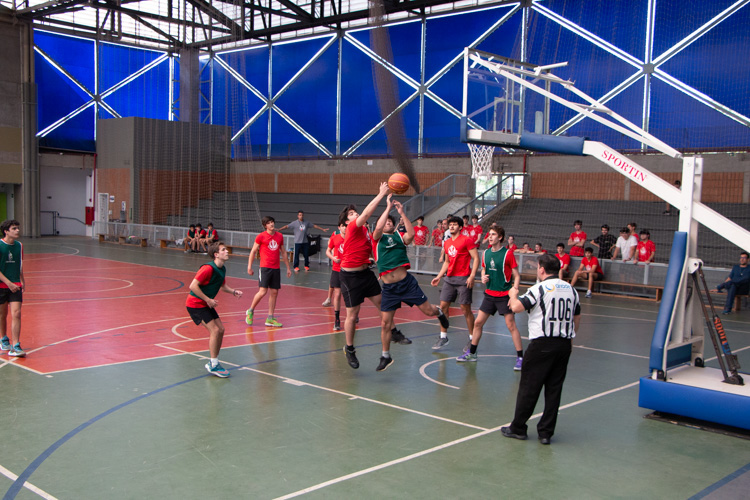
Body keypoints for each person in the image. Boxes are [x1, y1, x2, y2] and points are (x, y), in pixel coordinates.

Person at [501, 253, 580, 445]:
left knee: (529, 386)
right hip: (564, 344)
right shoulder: (571, 290)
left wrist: (512, 294)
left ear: (542, 269)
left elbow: (516, 307)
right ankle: (546, 433)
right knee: (554, 389)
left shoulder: (539, 288)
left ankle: (518, 428)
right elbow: (576, 318)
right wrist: (568, 336)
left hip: (542, 344)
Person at [372, 196, 449, 371]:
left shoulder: (399, 236)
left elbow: (412, 234)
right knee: (385, 323)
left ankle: (439, 312)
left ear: (394, 225)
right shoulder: (377, 238)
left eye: (390, 222)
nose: (388, 223)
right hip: (389, 288)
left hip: (406, 284)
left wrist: (401, 213)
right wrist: (387, 208)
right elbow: (378, 228)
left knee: (428, 311)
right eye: (385, 221)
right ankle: (385, 356)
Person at [339, 182, 391, 369]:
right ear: (347, 222)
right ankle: (349, 348)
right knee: (353, 315)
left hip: (366, 273)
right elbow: (368, 213)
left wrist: (383, 268)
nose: (356, 214)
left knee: (383, 304)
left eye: (355, 212)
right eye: (351, 214)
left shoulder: (365, 232)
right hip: (350, 277)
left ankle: (392, 331)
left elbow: (372, 252)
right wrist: (380, 194)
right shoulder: (353, 227)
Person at [457, 225, 523, 370]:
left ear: (500, 237)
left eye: (493, 234)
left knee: (511, 326)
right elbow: (484, 269)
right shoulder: (486, 253)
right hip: (489, 294)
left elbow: (517, 276)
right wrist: (483, 276)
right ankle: (472, 353)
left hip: (504, 295)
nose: (490, 237)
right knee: (478, 323)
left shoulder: (508, 254)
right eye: (489, 234)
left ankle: (520, 357)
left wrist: (515, 290)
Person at [185, 241, 243, 377]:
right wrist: (208, 299)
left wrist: (233, 291)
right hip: (195, 304)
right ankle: (214, 364)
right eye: (223, 250)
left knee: (221, 329)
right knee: (215, 330)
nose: (227, 251)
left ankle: (214, 362)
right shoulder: (207, 269)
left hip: (205, 304)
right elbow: (192, 286)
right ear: (216, 254)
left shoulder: (222, 269)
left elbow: (222, 286)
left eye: (226, 249)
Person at [430, 216, 479, 351]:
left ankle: (472, 339)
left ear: (460, 227)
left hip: (463, 279)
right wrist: (439, 276)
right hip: (449, 279)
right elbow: (447, 262)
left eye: (454, 224)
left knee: (465, 310)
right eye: (450, 224)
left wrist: (472, 276)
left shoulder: (467, 240)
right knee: (443, 307)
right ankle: (443, 337)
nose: (451, 226)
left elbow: (476, 258)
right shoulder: (447, 243)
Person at [246, 216, 292, 327]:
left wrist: (288, 267)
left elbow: (283, 252)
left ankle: (270, 318)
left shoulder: (279, 236)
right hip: (265, 267)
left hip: (276, 268)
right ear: (265, 225)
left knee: (274, 292)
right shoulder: (261, 236)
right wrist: (249, 267)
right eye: (269, 223)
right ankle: (250, 311)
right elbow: (253, 251)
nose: (272, 224)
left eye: (272, 222)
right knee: (263, 291)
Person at [0, 220, 26, 358]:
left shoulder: (19, 246)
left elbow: (19, 264)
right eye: (14, 228)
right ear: (6, 231)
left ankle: (16, 345)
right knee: (2, 314)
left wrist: (22, 280)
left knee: (16, 313)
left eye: (18, 228)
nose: (17, 231)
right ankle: (3, 338)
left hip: (15, 285)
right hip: (2, 285)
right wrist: (8, 283)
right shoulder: (0, 245)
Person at [325, 222, 346, 329]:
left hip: (349, 270)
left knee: (350, 294)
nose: (345, 228)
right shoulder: (335, 238)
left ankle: (354, 314)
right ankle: (337, 319)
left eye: (346, 226)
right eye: (343, 226)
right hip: (337, 269)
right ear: (339, 227)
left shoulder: (352, 238)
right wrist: (333, 258)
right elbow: (328, 251)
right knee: (337, 294)